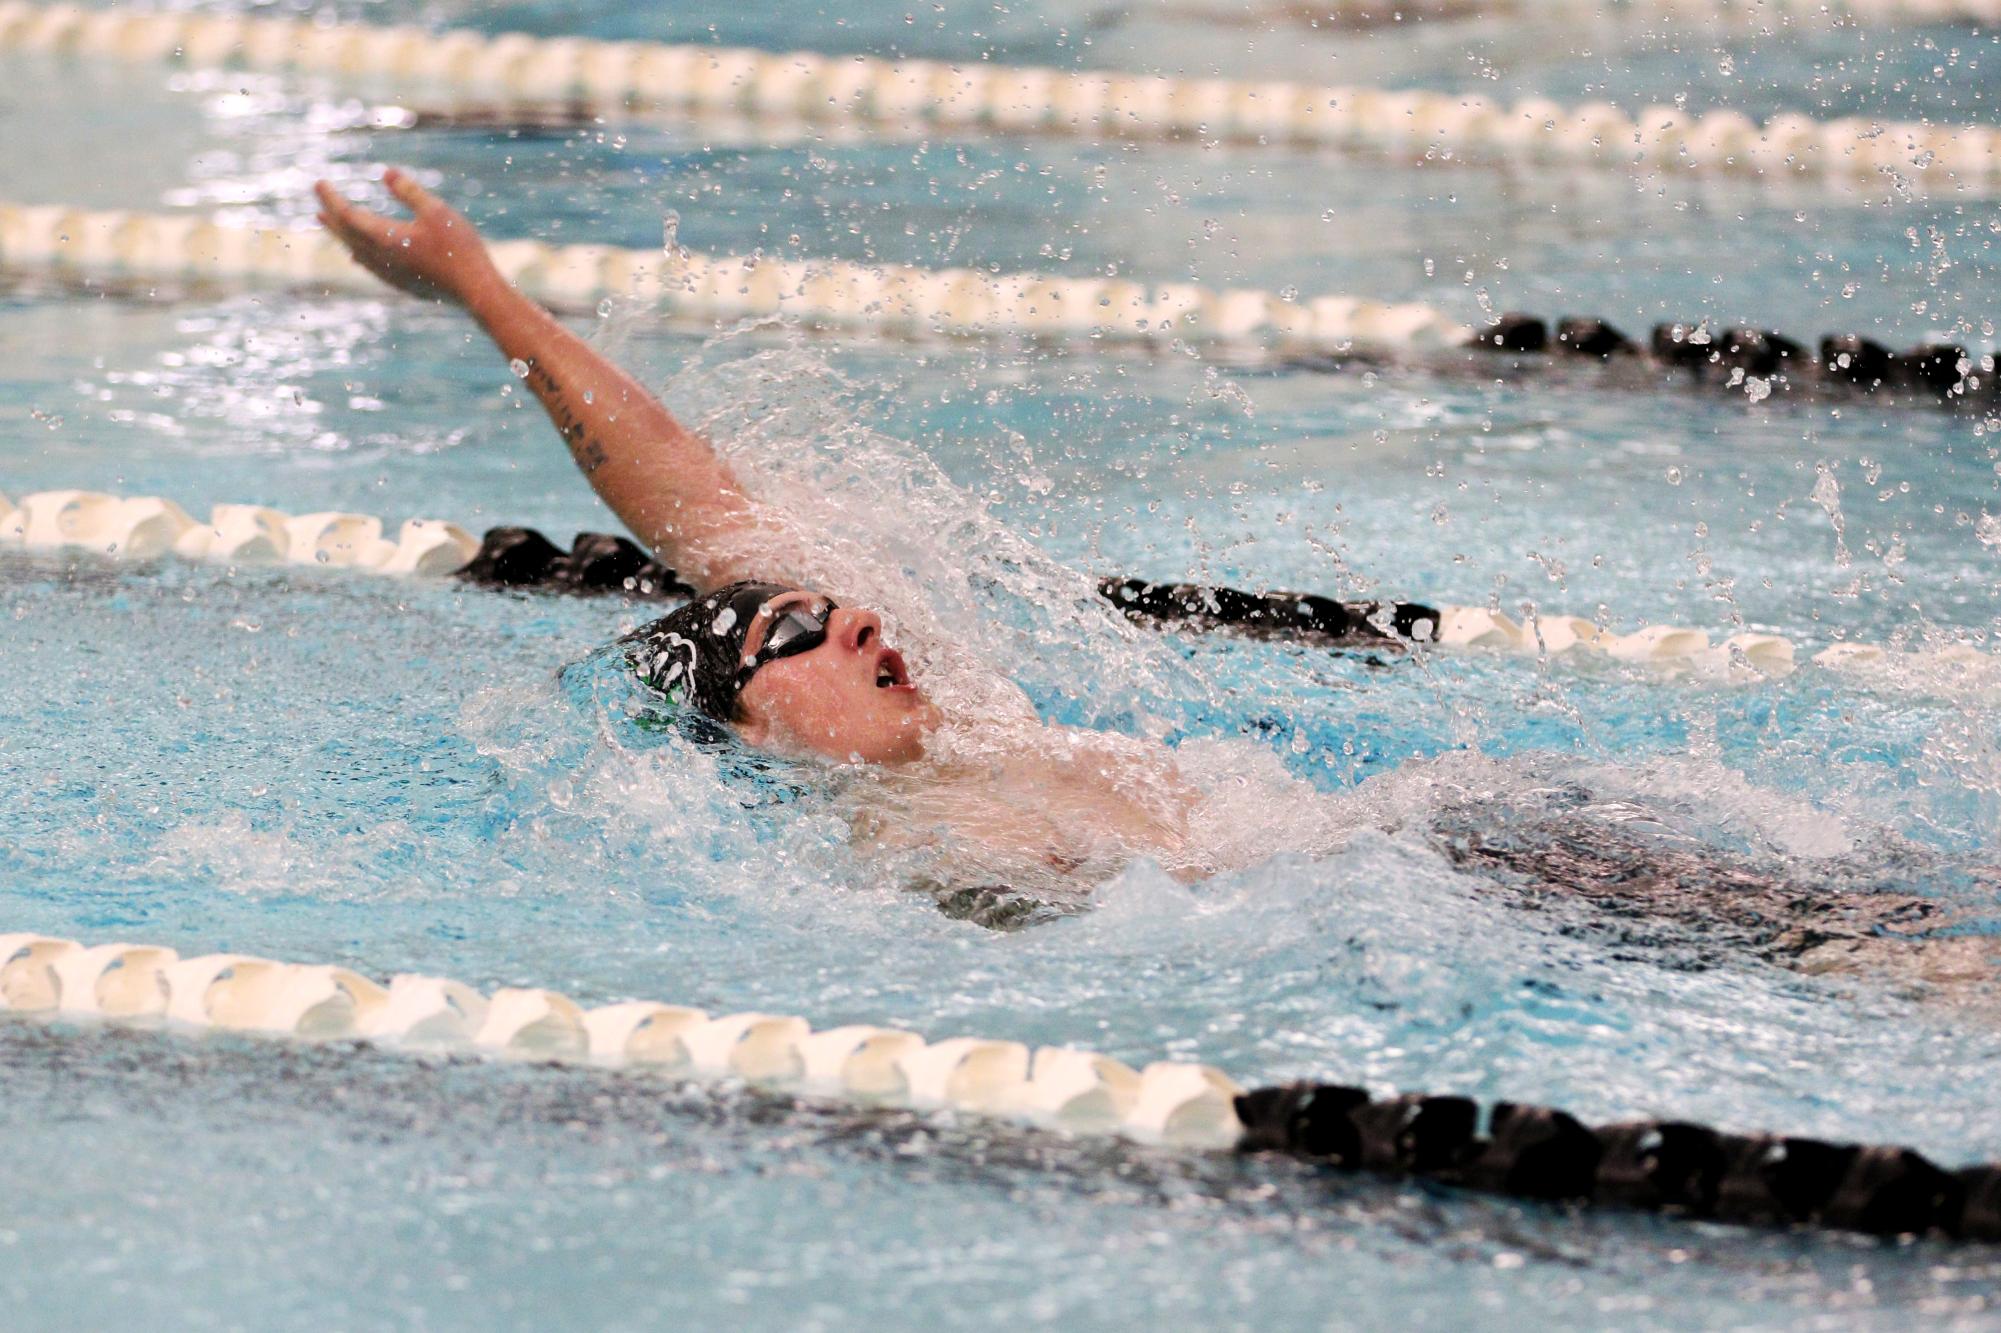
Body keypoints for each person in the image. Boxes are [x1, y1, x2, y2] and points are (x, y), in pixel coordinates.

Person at [314, 172, 1999, 989]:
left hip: (1470, 829)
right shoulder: (904, 836)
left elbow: (680, 486)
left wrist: (479, 286)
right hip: (1466, 886)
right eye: (800, 630)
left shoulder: (964, 723)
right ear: (754, 724)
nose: (853, 611)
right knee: (1886, 955)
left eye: (828, 602)